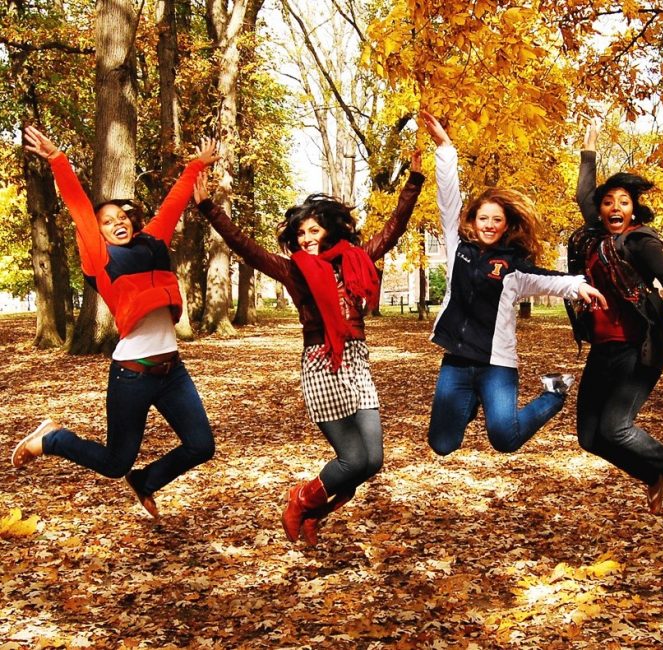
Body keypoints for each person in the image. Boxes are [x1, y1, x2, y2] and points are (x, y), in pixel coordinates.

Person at [194, 152, 424, 546]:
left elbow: (393, 230)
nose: (306, 239)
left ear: (329, 231)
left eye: (313, 231)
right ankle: (300, 501)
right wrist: (208, 208)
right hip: (322, 364)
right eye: (301, 234)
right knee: (353, 459)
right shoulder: (292, 270)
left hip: (356, 361)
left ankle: (313, 510)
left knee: (373, 461)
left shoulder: (355, 258)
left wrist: (414, 182)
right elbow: (246, 247)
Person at [13, 126, 218, 519]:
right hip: (133, 374)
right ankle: (52, 440)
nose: (117, 222)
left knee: (201, 445)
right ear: (99, 232)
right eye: (108, 221)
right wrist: (59, 160)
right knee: (114, 463)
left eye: (122, 216)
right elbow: (76, 205)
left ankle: (146, 481)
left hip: (173, 371)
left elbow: (174, 204)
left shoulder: (152, 241)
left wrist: (195, 166)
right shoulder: (100, 258)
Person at [420, 111, 607, 458]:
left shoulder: (511, 267)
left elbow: (547, 280)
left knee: (505, 439)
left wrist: (578, 286)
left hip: (496, 365)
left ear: (506, 226)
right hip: (458, 360)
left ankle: (554, 393)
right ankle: (470, 400)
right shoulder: (457, 246)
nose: (489, 225)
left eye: (497, 220)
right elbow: (448, 199)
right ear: (473, 221)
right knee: (442, 445)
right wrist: (445, 149)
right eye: (483, 218)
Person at [568, 122, 663, 515]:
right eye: (608, 202)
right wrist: (588, 154)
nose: (614, 207)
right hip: (602, 350)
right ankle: (651, 475)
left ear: (633, 209)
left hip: (638, 348)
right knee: (590, 436)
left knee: (616, 428)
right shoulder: (596, 237)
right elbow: (584, 194)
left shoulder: (638, 240)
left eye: (623, 202)